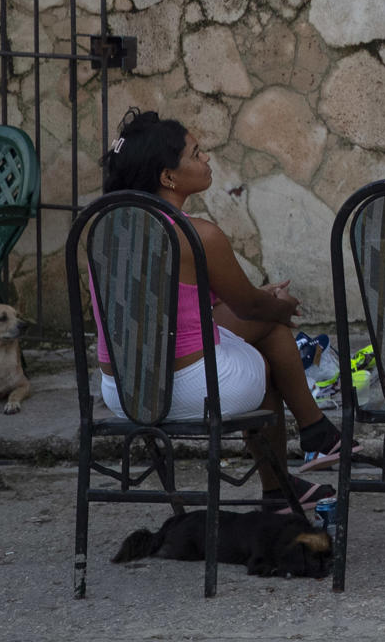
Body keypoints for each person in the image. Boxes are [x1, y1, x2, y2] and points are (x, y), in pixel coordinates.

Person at [96, 109, 339, 510]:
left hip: (122, 390)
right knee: (271, 337)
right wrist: (277, 306)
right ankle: (300, 455)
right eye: (196, 153)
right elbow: (247, 306)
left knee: (260, 322)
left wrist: (261, 302)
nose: (206, 159)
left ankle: (306, 451)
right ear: (168, 177)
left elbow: (191, 302)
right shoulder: (198, 234)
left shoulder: (108, 226)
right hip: (189, 389)